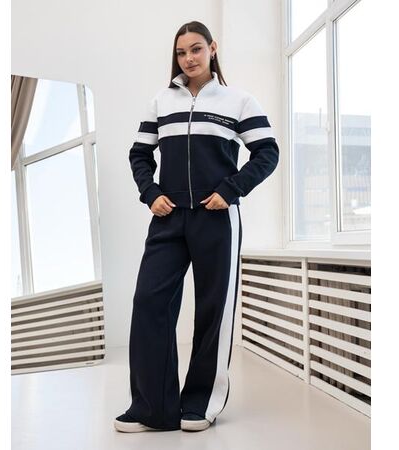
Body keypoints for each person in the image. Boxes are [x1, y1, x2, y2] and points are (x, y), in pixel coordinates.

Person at [114, 20, 279, 433]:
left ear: (212, 48)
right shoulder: (161, 101)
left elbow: (267, 152)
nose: (188, 58)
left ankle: (201, 403)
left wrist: (231, 189)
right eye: (181, 52)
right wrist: (150, 192)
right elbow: (139, 154)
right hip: (168, 217)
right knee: (149, 303)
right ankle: (152, 408)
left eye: (196, 49)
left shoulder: (239, 101)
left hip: (216, 217)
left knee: (212, 310)